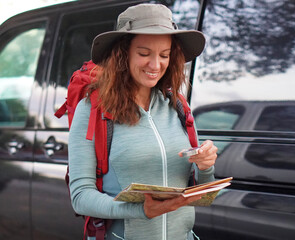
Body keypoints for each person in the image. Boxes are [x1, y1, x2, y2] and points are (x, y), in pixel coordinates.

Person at [68, 3, 218, 240]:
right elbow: (80, 196)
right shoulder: (92, 110)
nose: (155, 65)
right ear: (122, 53)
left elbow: (203, 196)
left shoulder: (177, 106)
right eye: (144, 53)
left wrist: (206, 166)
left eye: (164, 55)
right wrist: (140, 211)